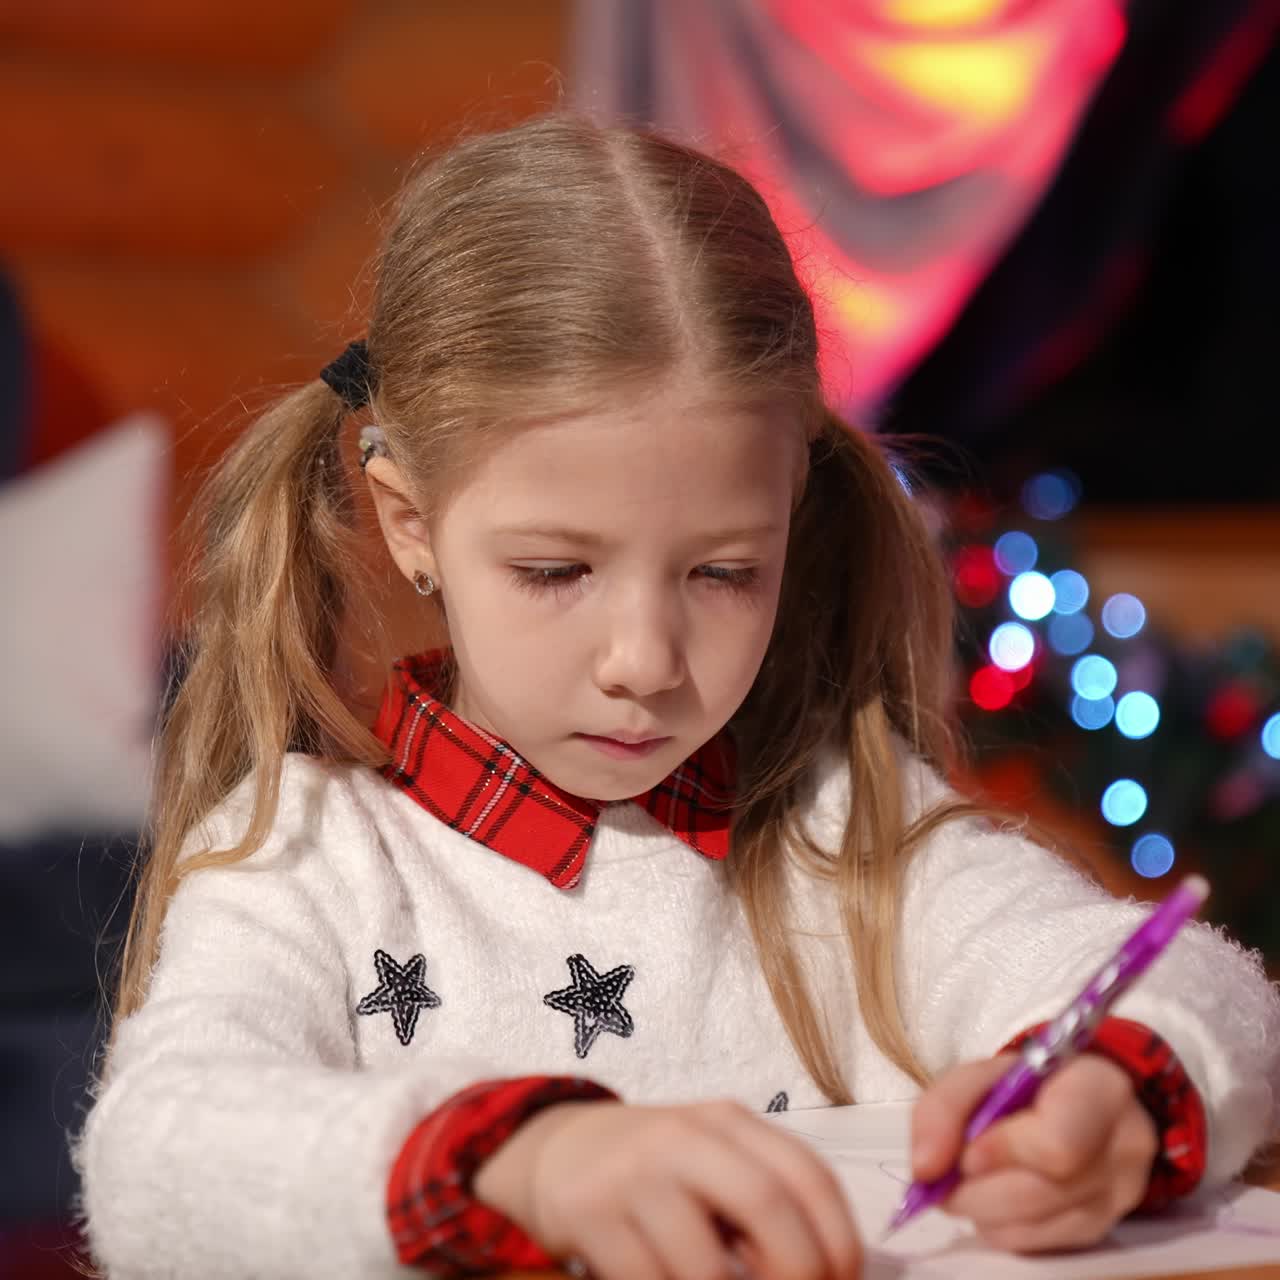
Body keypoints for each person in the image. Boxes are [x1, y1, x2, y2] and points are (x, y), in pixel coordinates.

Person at [76, 115, 1278, 1280]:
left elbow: (1200, 989)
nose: (644, 658)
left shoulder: (846, 839)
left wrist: (1107, 1097)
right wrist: (531, 1160)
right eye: (556, 571)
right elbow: (155, 1157)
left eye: (721, 571)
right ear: (409, 524)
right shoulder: (308, 859)